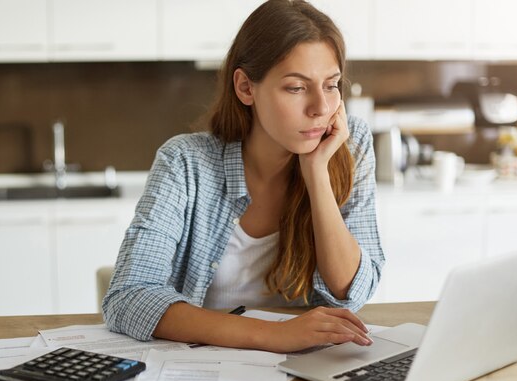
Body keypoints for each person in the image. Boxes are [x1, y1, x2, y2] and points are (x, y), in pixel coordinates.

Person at [103, 0, 384, 353]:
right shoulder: (186, 162)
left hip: (312, 366)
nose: (321, 108)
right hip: (205, 368)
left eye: (331, 85)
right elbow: (128, 297)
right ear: (246, 88)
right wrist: (273, 336)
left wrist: (316, 173)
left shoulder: (349, 143)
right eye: (296, 88)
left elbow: (351, 291)